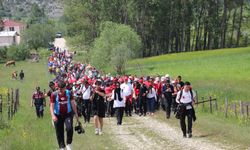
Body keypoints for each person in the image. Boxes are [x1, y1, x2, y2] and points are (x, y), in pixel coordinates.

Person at [50, 81, 80, 150]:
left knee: (69, 128)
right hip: (57, 115)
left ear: (65, 88)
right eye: (59, 89)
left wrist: (76, 115)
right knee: (59, 131)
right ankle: (61, 146)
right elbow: (51, 106)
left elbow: (73, 104)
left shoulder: (69, 93)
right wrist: (53, 116)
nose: (60, 90)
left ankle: (69, 144)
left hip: (67, 114)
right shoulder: (54, 94)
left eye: (62, 89)